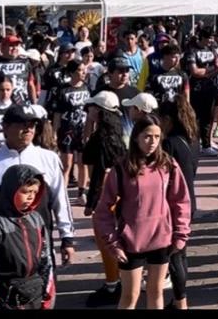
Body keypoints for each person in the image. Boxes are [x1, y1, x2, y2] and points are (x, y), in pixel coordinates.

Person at [0, 103, 76, 276]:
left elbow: (61, 201)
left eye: (32, 125)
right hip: (1, 252)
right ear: (5, 127)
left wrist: (67, 239)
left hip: (41, 249)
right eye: (22, 124)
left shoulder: (49, 159)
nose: (28, 129)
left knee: (43, 298)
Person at [94, 115, 191, 310]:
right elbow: (103, 210)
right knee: (130, 296)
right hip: (131, 242)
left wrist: (181, 234)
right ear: (136, 137)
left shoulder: (168, 165)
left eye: (156, 137)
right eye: (147, 136)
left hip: (161, 239)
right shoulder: (121, 169)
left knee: (156, 294)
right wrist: (112, 243)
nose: (152, 142)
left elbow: (181, 201)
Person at [0, 165, 56, 309]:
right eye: (25, 192)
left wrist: (48, 296)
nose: (31, 196)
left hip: (35, 294)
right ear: (11, 190)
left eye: (34, 192)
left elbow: (46, 260)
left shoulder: (36, 220)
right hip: (6, 296)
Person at [81, 92, 128, 307]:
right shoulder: (122, 131)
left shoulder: (99, 139)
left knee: (106, 242)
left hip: (105, 198)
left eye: (91, 107)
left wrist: (91, 203)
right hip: (122, 195)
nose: (87, 110)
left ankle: (112, 285)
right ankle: (122, 281)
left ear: (98, 111)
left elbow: (99, 174)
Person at [156, 98, 197, 309]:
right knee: (182, 254)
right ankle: (179, 298)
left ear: (167, 120)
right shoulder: (190, 140)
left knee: (174, 257)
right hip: (189, 202)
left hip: (174, 207)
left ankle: (181, 301)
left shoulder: (169, 143)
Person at [50, 59, 91, 205]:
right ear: (72, 73)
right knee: (67, 164)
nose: (83, 73)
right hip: (67, 130)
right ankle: (62, 194)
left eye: (84, 70)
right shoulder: (63, 90)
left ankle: (81, 193)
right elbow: (57, 114)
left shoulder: (87, 88)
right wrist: (54, 132)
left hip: (83, 130)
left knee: (82, 162)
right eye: (80, 70)